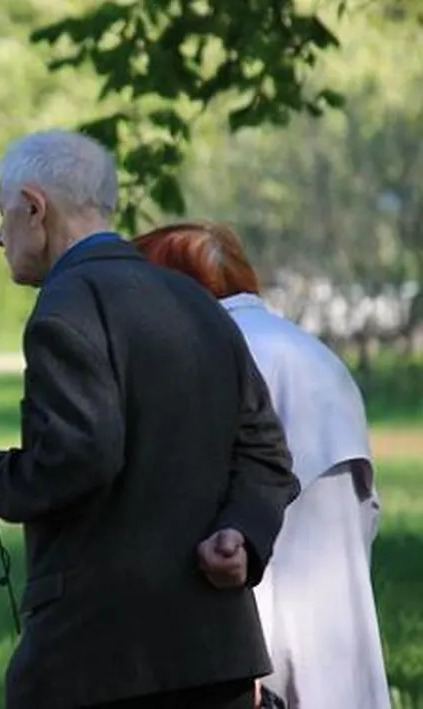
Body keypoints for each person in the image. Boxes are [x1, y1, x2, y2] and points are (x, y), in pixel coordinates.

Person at [0, 130, 299, 709]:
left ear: (35, 208)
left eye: (3, 212)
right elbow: (266, 450)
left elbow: (79, 457)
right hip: (216, 653)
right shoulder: (196, 302)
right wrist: (241, 530)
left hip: (101, 659)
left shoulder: (65, 309)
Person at [133, 221, 391, 709]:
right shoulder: (308, 350)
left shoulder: (216, 354)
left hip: (257, 641)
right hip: (337, 617)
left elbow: (215, 517)